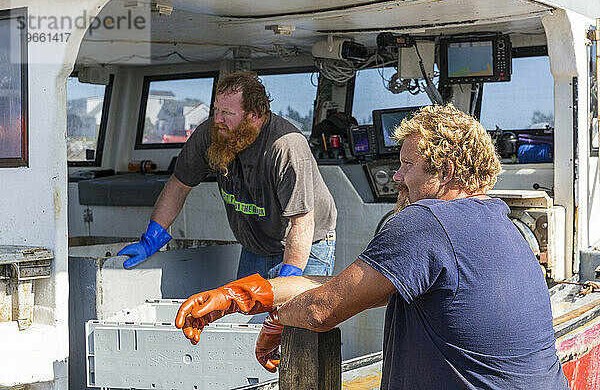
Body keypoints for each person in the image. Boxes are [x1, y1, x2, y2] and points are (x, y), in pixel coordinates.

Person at [174, 104, 569, 389]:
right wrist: (242, 295)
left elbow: (321, 309)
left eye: (407, 165)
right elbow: (349, 289)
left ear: (445, 172)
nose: (396, 176)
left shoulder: (427, 222)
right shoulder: (501, 224)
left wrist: (278, 320)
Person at [118, 71, 337, 279]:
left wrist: (288, 280)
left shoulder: (286, 147)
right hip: (256, 247)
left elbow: (302, 222)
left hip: (307, 245)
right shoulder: (211, 133)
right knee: (245, 318)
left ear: (254, 116)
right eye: (216, 110)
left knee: (291, 317)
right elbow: (179, 185)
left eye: (227, 113)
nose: (217, 119)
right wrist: (152, 237)